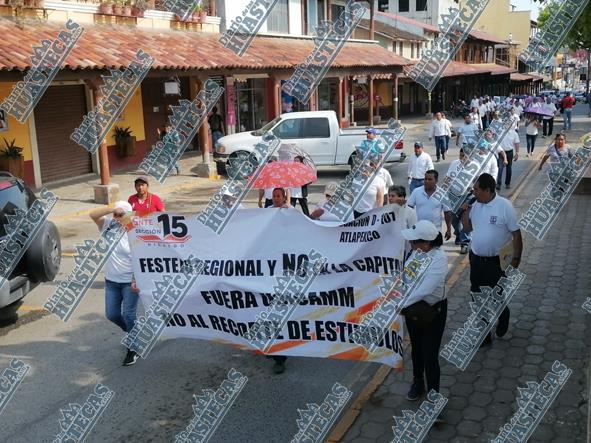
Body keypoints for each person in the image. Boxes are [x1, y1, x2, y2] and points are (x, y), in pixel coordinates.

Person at [461, 173, 523, 346]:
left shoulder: (504, 207)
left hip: (497, 262)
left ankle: (503, 316)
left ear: (487, 190)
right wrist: (465, 212)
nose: (473, 193)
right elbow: (467, 228)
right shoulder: (475, 205)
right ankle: (484, 335)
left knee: (496, 296)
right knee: (477, 296)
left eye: (476, 190)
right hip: (476, 260)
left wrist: (516, 258)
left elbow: (516, 234)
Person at [400, 220, 448, 400]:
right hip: (412, 309)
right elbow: (407, 279)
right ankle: (418, 381)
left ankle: (434, 395)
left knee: (430, 354)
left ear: (427, 243)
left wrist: (400, 303)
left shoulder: (439, 259)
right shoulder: (416, 253)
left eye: (414, 242)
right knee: (416, 348)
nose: (410, 245)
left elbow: (425, 290)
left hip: (432, 312)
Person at [89, 201, 140, 366]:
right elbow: (93, 215)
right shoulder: (108, 226)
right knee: (112, 314)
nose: (116, 218)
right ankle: (134, 333)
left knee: (129, 315)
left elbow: (141, 258)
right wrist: (112, 209)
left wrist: (135, 278)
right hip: (111, 281)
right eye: (115, 215)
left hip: (129, 282)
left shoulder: (135, 232)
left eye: (121, 215)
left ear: (128, 215)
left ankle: (133, 348)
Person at [407, 170, 452, 241]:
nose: (427, 181)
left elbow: (447, 212)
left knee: (435, 251)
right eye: (425, 179)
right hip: (419, 230)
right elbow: (409, 208)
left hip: (436, 231)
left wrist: (449, 229)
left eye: (430, 179)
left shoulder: (442, 194)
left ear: (436, 181)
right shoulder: (416, 192)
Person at [389, 185, 418, 258]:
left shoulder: (410, 212)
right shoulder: (387, 212)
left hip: (406, 251)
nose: (390, 198)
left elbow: (414, 233)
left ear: (401, 197)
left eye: (393, 196)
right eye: (389, 196)